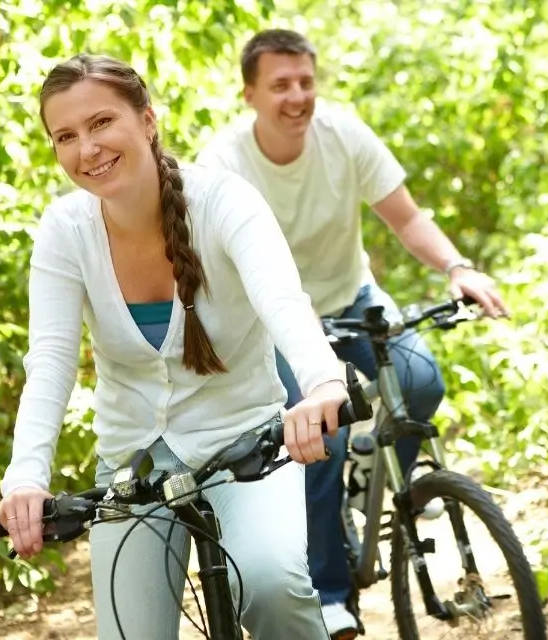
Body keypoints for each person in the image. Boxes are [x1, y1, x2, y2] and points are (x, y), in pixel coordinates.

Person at [0, 53, 353, 640]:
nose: (88, 148)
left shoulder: (224, 201)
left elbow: (283, 301)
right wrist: (26, 479)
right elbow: (52, 362)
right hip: (132, 463)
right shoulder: (65, 231)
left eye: (102, 122)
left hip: (247, 443)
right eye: (66, 136)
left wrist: (322, 383)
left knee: (271, 585)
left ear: (147, 120)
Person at [195, 28, 509, 638]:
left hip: (352, 296)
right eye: (280, 85)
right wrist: (290, 317)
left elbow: (406, 218)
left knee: (420, 382)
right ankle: (332, 592)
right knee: (320, 439)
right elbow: (218, 265)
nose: (297, 97)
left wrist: (457, 267)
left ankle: (376, 479)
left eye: (305, 82)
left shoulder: (344, 136)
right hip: (276, 320)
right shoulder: (224, 163)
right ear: (249, 94)